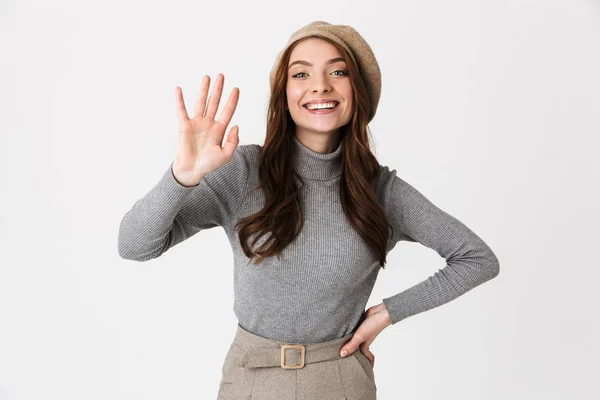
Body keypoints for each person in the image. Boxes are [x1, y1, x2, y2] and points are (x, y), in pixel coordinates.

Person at [117, 20, 500, 400]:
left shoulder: (382, 192)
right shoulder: (244, 171)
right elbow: (135, 245)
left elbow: (477, 258)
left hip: (341, 381)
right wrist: (180, 177)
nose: (320, 85)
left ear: (359, 92)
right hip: (250, 381)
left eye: (338, 71)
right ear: (284, 94)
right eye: (301, 74)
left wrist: (387, 313)